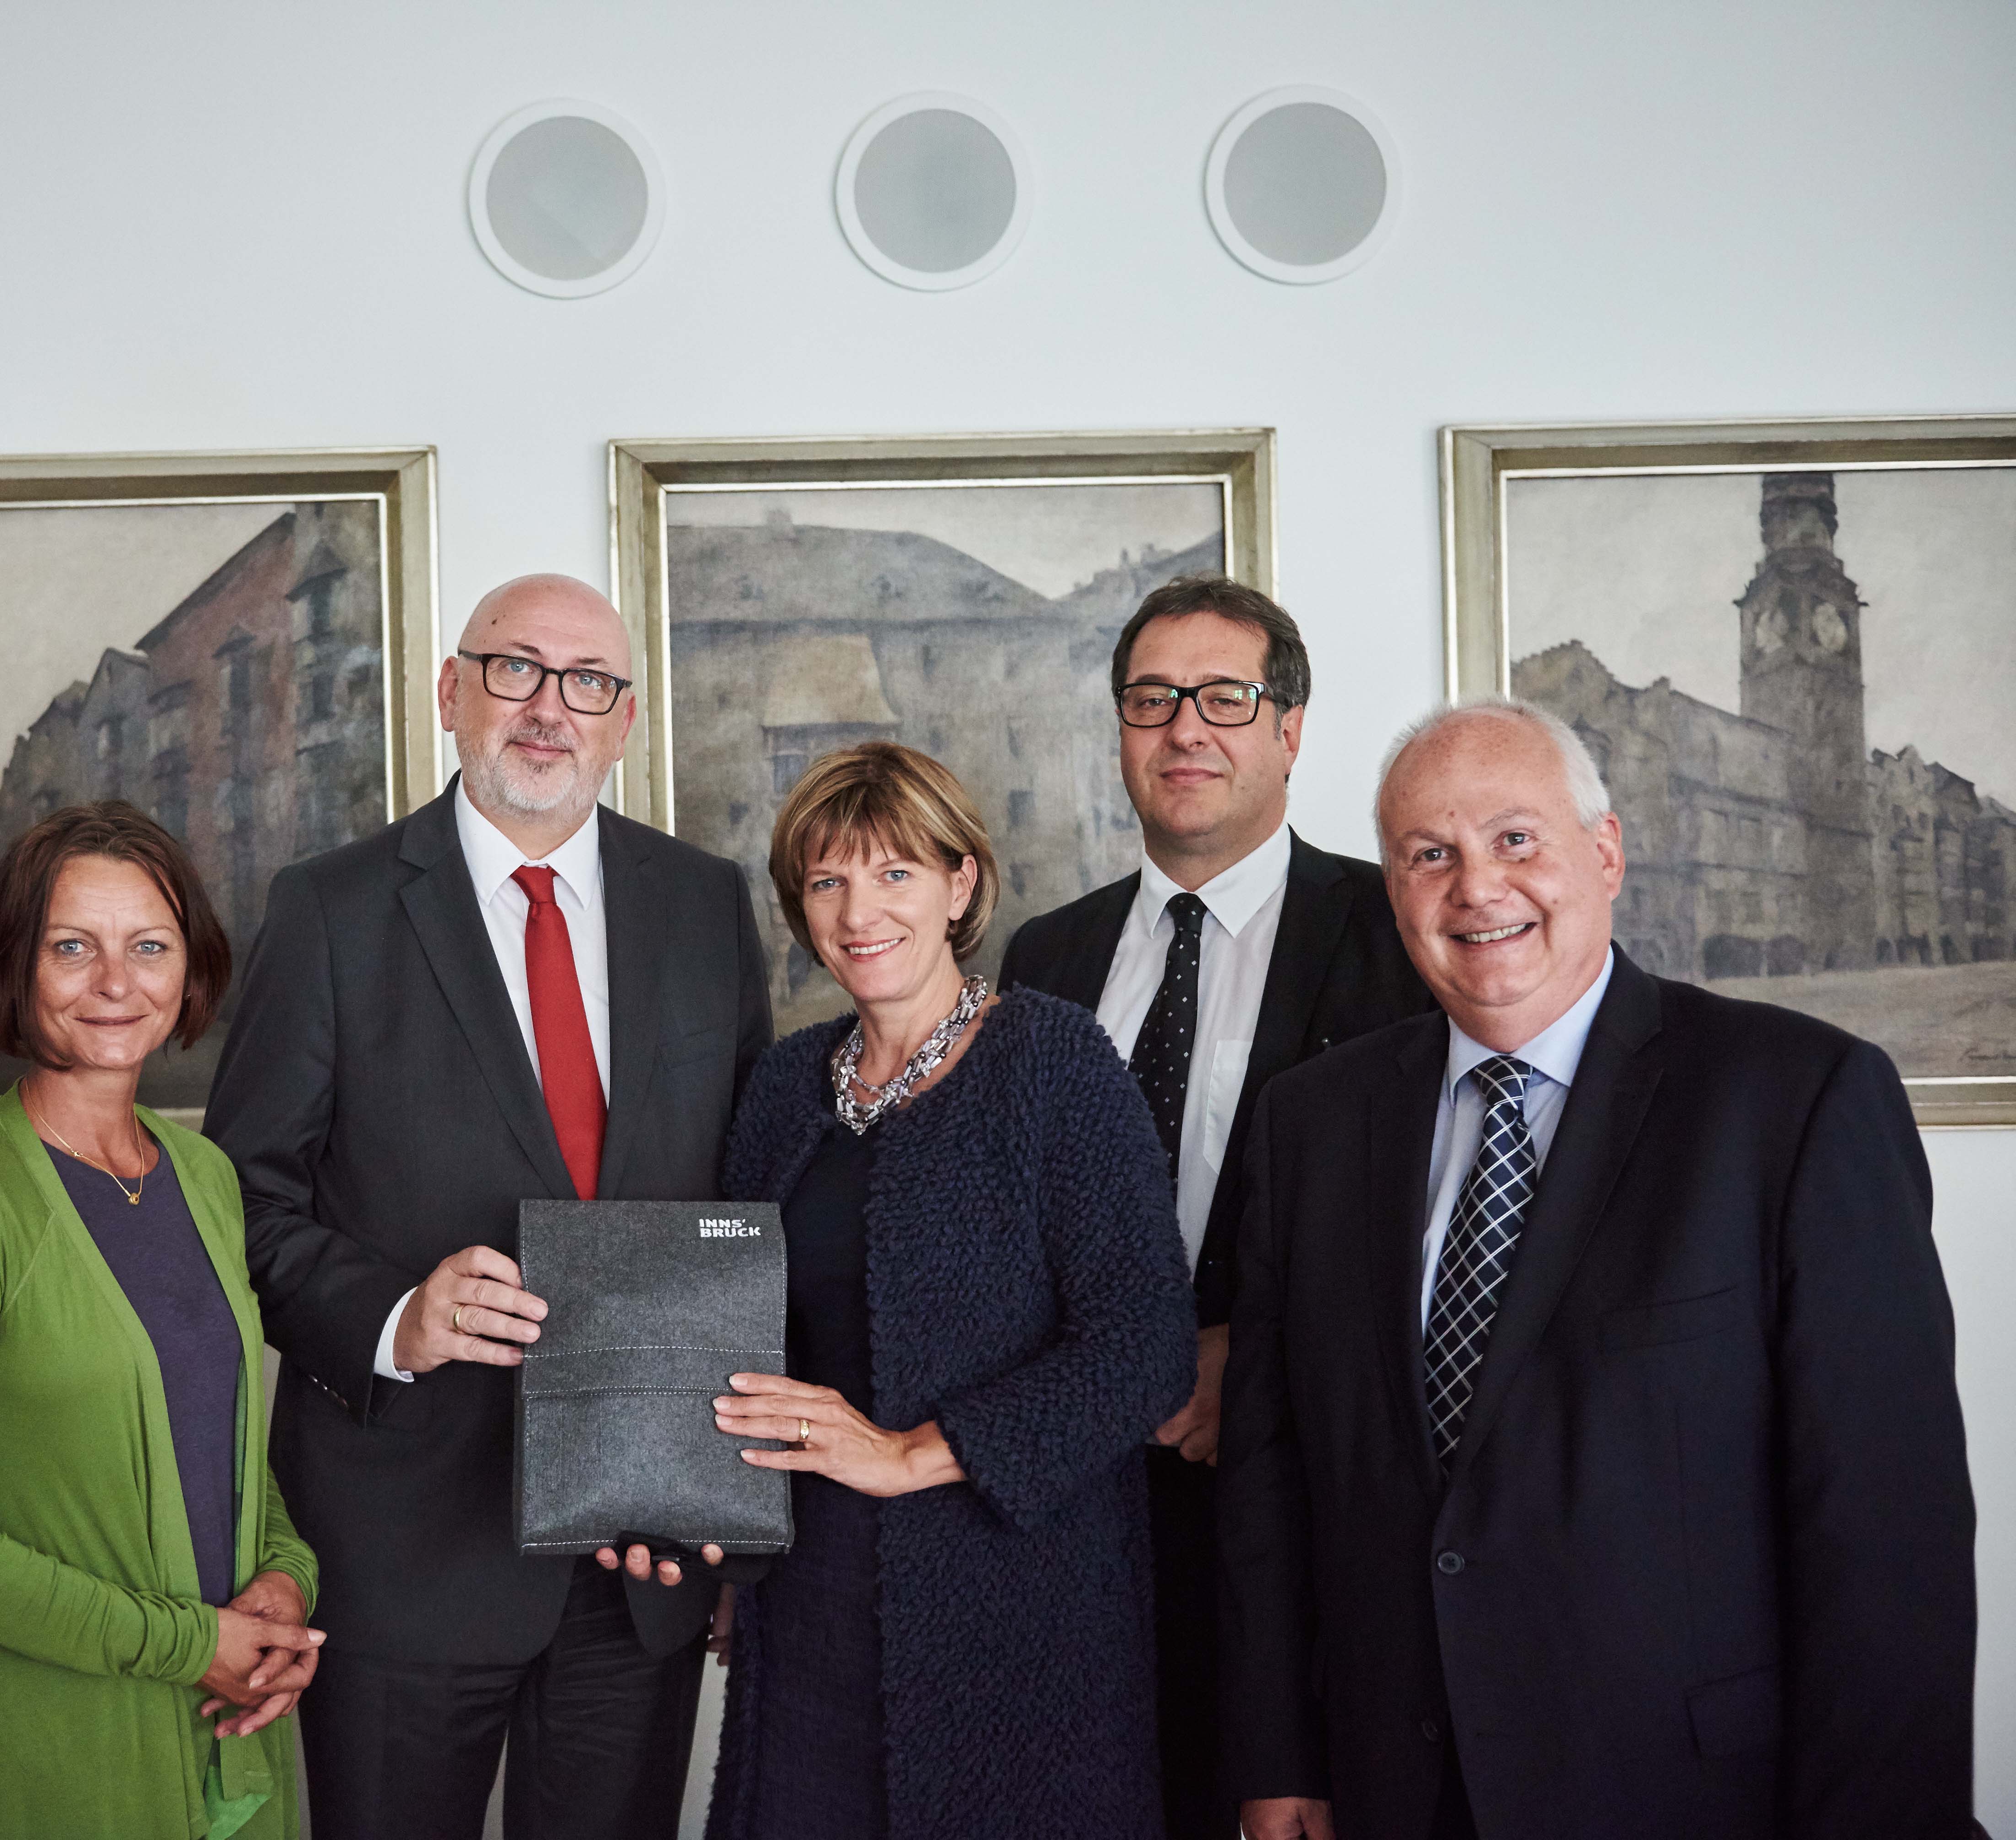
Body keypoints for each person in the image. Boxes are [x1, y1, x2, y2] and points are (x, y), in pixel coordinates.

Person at [1219, 699, 1977, 1840]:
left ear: (1605, 853)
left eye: (1515, 839)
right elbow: (1270, 1472)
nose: (1476, 887)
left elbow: (1884, 1531)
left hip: (1690, 1793)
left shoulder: (1793, 1101)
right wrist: (1280, 1755)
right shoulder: (1309, 1123)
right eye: (1430, 855)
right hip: (1392, 1787)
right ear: (1392, 888)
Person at [203, 573, 773, 1840]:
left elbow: (746, 1205)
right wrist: (395, 1316)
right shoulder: (332, 909)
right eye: (515, 669)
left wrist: (736, 1501)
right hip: (402, 1551)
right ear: (453, 694)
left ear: (624, 721)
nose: (549, 709)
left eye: (588, 684)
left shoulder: (704, 904)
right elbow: (236, 1197)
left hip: (640, 1548)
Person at [997, 575, 1429, 1839]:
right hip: (1075, 1510)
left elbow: (1437, 1220)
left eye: (1224, 697)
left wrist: (1267, 1352)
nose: (1186, 728)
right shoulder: (1047, 957)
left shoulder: (1397, 933)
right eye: (1151, 700)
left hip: (1293, 1514)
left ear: (1290, 728)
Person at [704, 740, 1198, 1840]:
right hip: (807, 1599)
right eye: (826, 881)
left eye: (893, 873)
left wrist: (907, 1454)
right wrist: (722, 1542)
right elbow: (736, 1336)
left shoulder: (1053, 1060)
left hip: (1016, 1601)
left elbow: (1145, 1345)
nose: (857, 910)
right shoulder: (785, 1085)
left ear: (959, 882)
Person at [0, 801, 323, 1840]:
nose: (116, 982)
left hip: (224, 1714)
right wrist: (186, 1643)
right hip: (43, 1739)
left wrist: (284, 1581)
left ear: (189, 971)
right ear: (14, 967)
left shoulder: (203, 1177)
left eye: (149, 946)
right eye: (73, 947)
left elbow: (217, 1428)